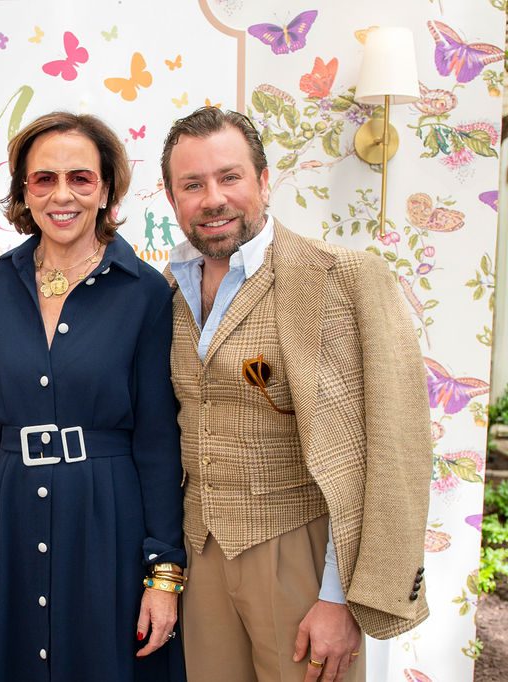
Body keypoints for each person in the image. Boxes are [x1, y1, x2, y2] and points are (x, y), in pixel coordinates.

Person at [159, 106, 432, 682]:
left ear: (263, 180)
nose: (213, 198)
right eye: (193, 184)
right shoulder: (165, 290)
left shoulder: (341, 277)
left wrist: (341, 596)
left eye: (229, 177)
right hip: (201, 555)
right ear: (171, 196)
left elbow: (394, 443)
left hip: (301, 556)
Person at [0, 112, 186, 682]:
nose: (62, 195)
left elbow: (159, 438)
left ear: (106, 188)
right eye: (44, 179)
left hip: (107, 515)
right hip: (11, 511)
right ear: (23, 192)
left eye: (81, 179)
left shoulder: (146, 292)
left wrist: (163, 572)